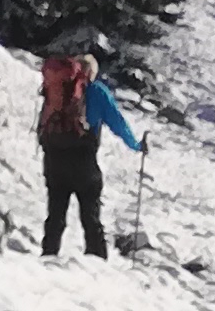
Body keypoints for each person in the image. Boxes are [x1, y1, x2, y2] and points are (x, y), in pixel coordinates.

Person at [36, 36, 144, 258]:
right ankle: (96, 260)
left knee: (55, 213)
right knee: (90, 216)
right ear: (91, 73)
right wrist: (136, 145)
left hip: (54, 159)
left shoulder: (57, 92)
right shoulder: (97, 91)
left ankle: (48, 256)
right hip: (83, 161)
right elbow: (117, 122)